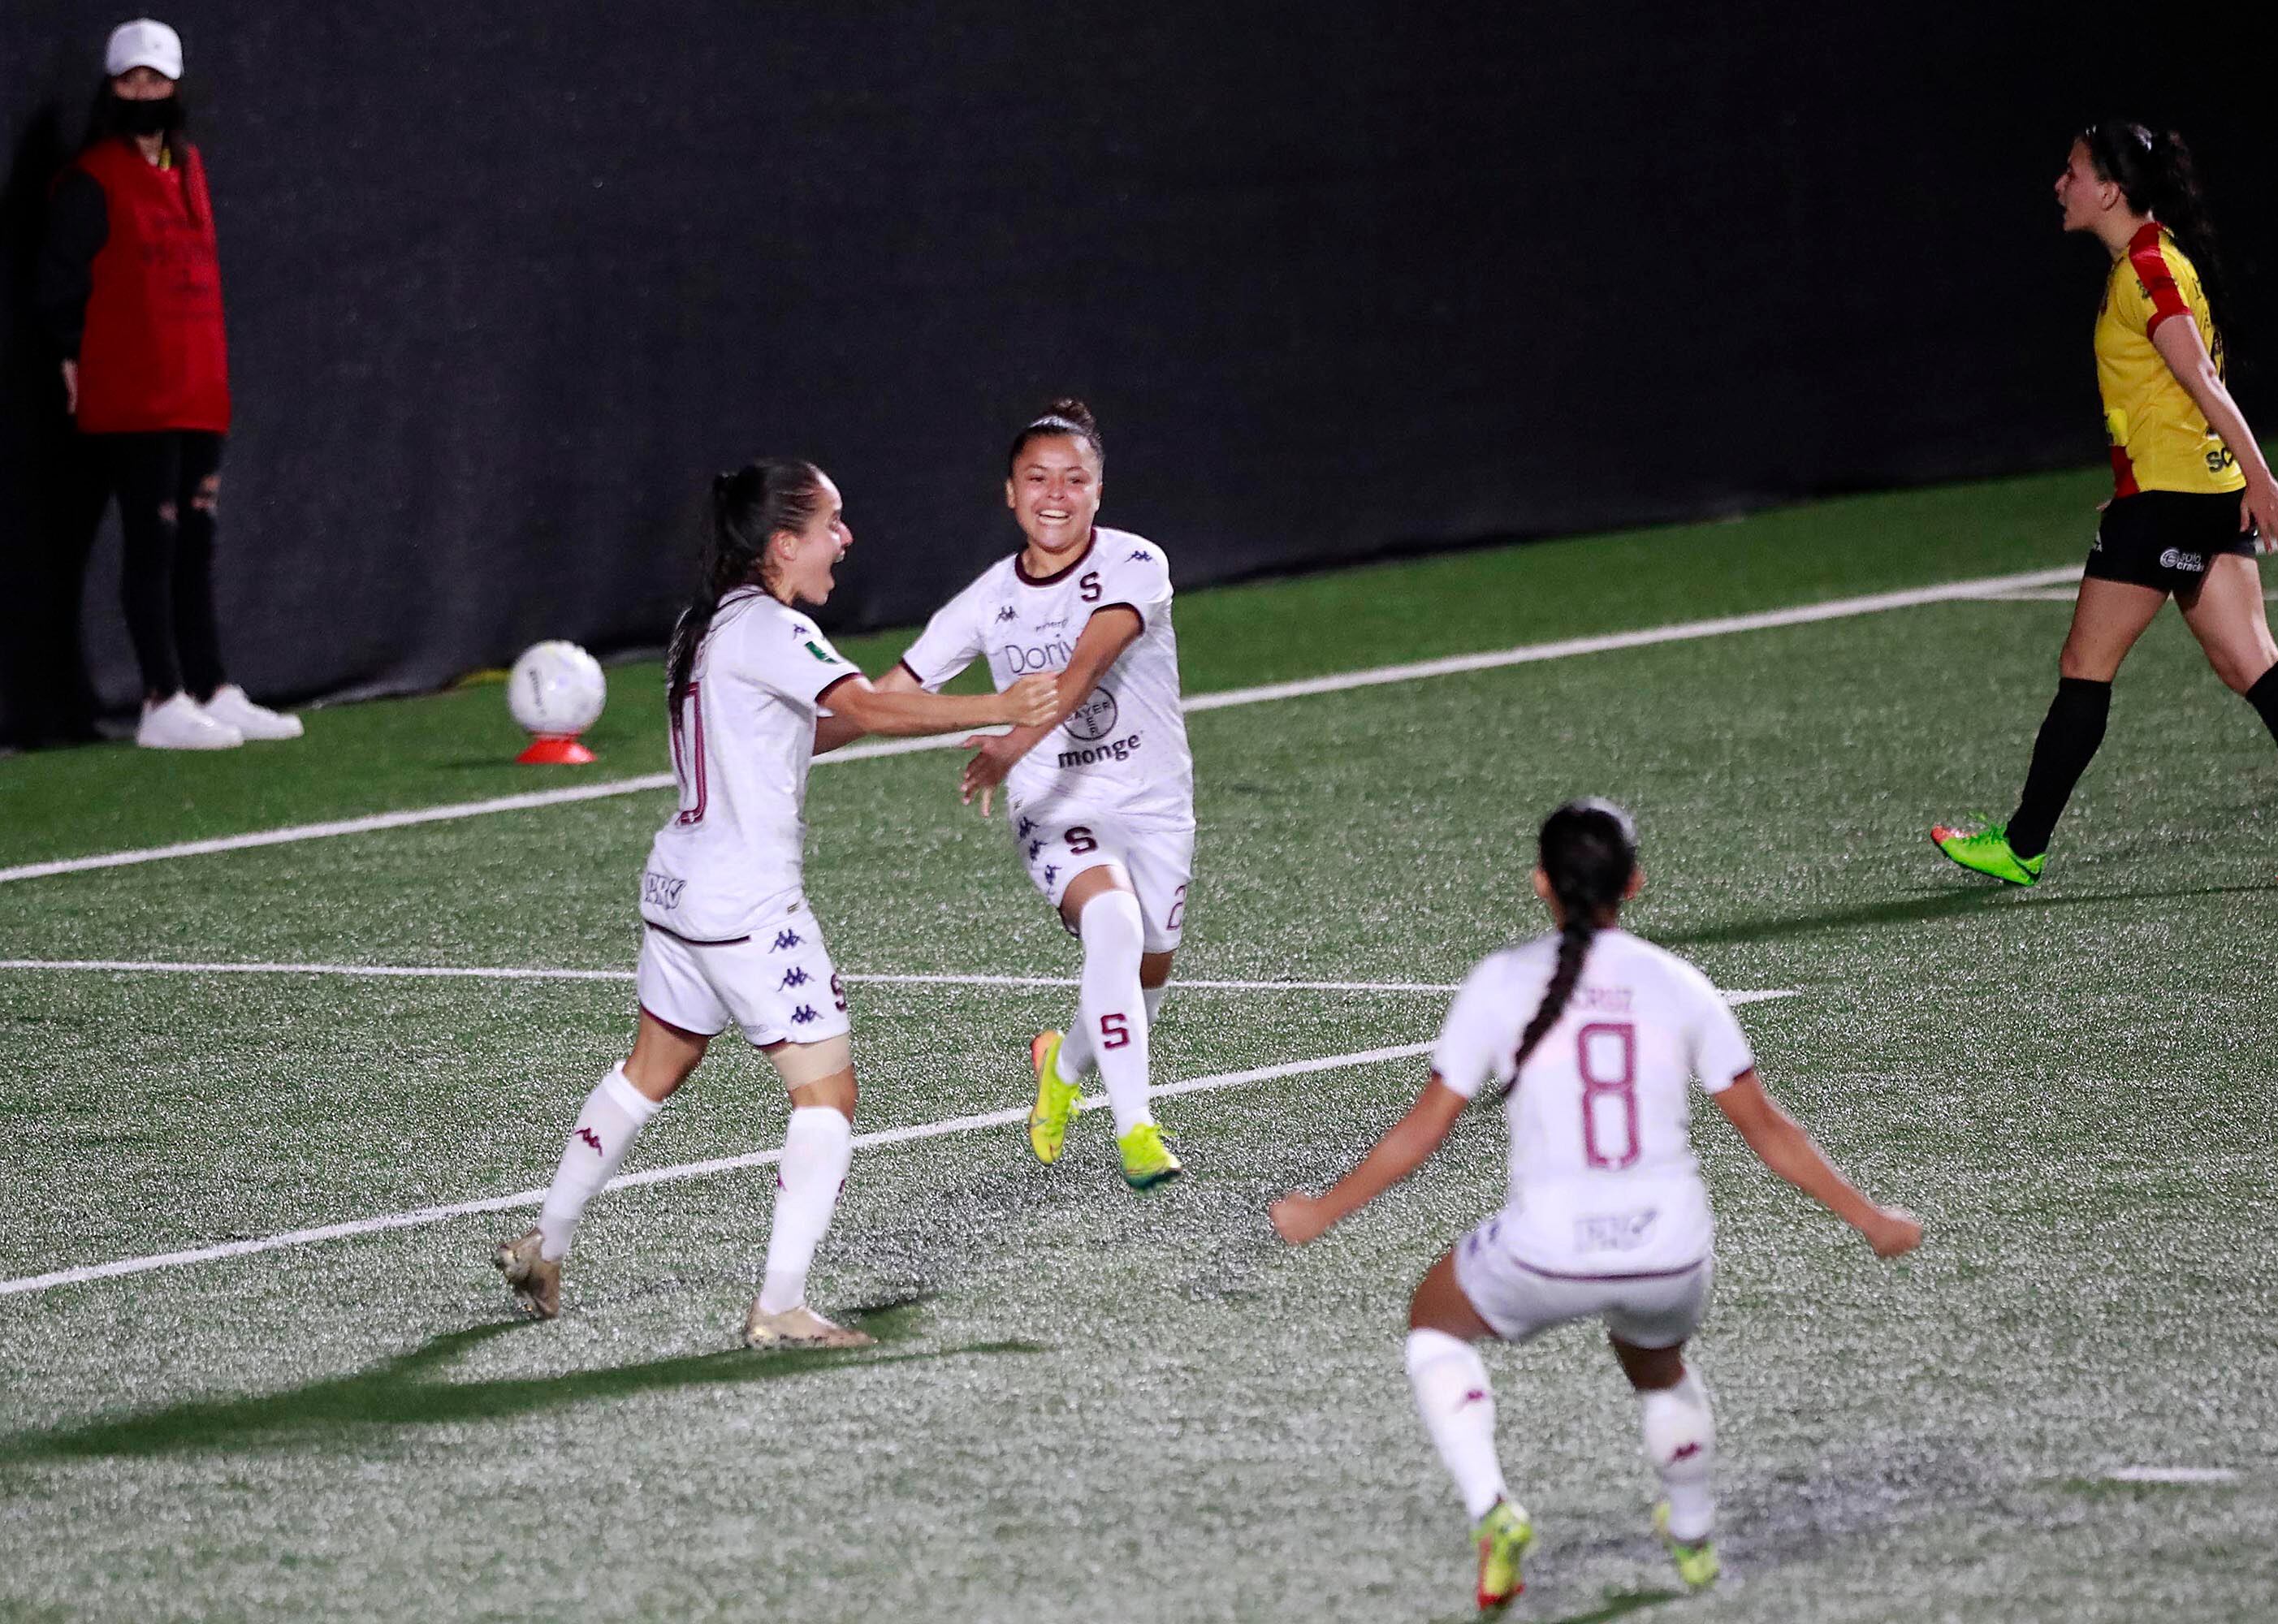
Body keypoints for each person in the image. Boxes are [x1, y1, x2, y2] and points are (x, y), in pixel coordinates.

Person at [1269, 800, 1922, 1610]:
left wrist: (1323, 1211)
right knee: (1657, 1365)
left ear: (1540, 882)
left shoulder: (1500, 981)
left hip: (1547, 1251)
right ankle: (1693, 1535)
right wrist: (1870, 1218)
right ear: (1635, 883)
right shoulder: (1680, 983)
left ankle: (1493, 1509)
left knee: (1434, 1323)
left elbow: (1424, 1131)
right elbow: (1769, 1130)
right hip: (1669, 1252)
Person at [494, 460, 1057, 1347]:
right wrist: (999, 705)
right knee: (828, 1093)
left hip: (679, 890)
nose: (846, 538)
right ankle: (781, 1305)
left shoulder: (706, 623)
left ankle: (544, 1244)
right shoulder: (773, 626)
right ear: (784, 543)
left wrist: (905, 700)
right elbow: (866, 709)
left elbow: (807, 729)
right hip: (747, 907)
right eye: (832, 522)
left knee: (651, 1069)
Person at [1933, 121, 2278, 887]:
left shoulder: (2147, 269)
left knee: (2086, 664)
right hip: (2196, 493)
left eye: (2073, 171)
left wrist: (2261, 477)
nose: (2060, 184)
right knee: (2250, 662)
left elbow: (2202, 378)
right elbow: (2176, 391)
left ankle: (2022, 845)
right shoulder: (2156, 257)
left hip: (2173, 501)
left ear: (2110, 190)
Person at [849, 399, 1197, 1190]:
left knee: (1145, 978)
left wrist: (1010, 741)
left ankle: (1061, 1067)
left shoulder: (1137, 563)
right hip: (1056, 804)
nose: (1055, 494)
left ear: (1098, 490)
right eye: (1037, 478)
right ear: (1010, 492)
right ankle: (1137, 1130)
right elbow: (884, 698)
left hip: (1154, 803)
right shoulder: (984, 601)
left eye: (1075, 478)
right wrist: (804, 733)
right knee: (1112, 925)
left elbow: (1084, 667)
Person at [36, 19, 300, 750]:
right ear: (111, 88)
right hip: (135, 394)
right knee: (152, 544)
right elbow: (58, 283)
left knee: (196, 545)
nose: (143, 91)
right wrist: (68, 355)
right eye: (130, 80)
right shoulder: (91, 180)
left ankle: (211, 686)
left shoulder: (190, 170)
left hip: (197, 387)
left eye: (155, 79)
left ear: (176, 87)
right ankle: (161, 697)